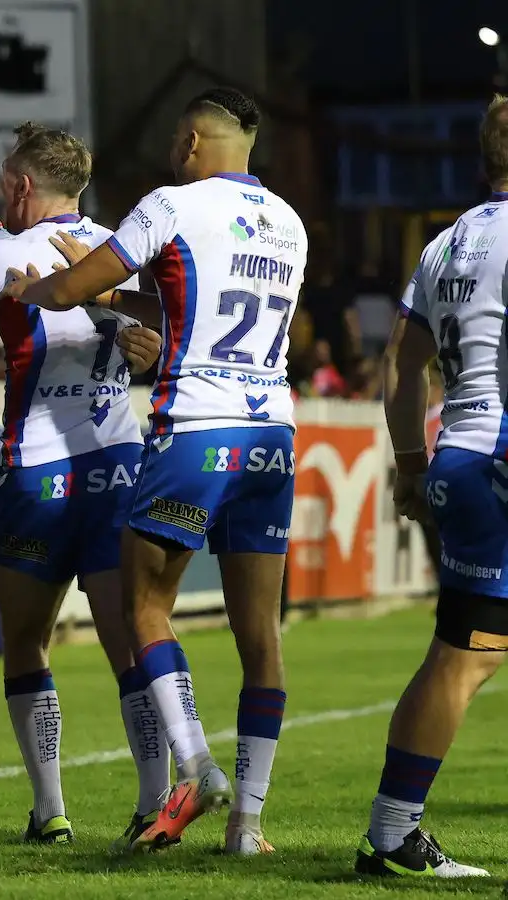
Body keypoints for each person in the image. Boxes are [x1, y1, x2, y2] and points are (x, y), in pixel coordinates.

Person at [10, 87, 307, 855]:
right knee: (260, 635)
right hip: (271, 434)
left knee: (145, 609)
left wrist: (34, 289)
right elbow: (184, 304)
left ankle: (199, 766)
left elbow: (66, 290)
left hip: (197, 434)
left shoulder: (169, 203)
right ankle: (249, 823)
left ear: (188, 142)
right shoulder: (291, 223)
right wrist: (116, 290)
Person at [0, 123, 164, 847]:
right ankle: (153, 802)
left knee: (29, 644)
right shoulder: (119, 249)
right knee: (128, 645)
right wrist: (148, 346)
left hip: (36, 471)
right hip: (116, 467)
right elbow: (156, 333)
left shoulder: (0, 254)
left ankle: (51, 810)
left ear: (21, 186)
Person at [351, 97, 508, 880]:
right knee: (468, 656)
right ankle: (390, 834)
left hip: (462, 455)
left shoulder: (450, 240)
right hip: (499, 456)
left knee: (460, 652)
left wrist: (413, 467)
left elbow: (402, 363)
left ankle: (391, 833)